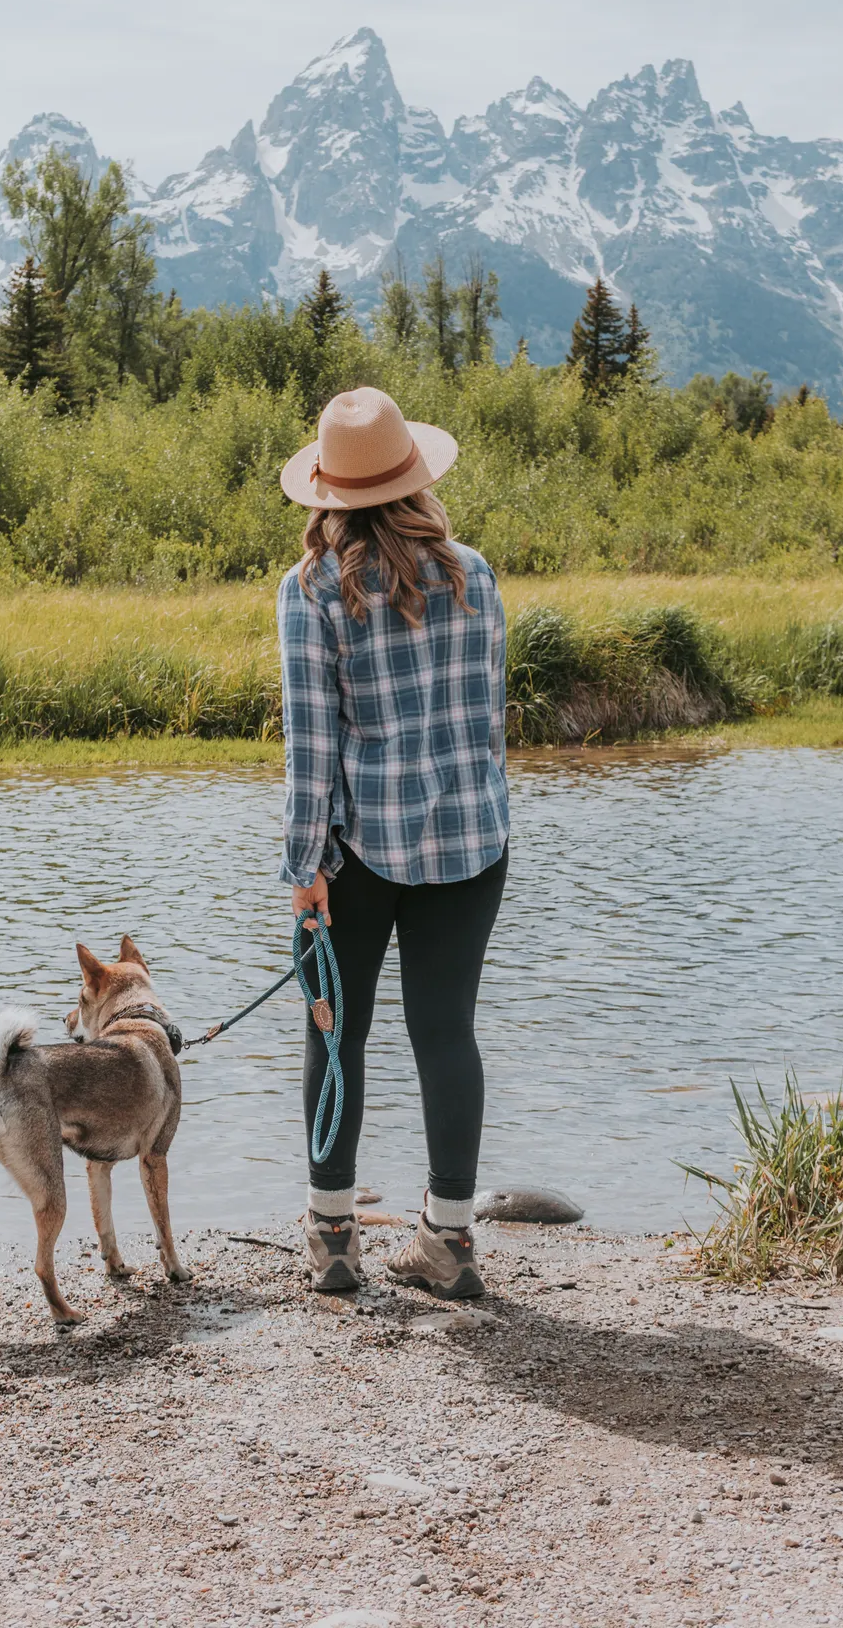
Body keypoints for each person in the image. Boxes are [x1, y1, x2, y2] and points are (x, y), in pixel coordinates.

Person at [276, 386, 509, 1299]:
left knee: (335, 1036)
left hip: (358, 851)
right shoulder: (475, 574)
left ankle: (334, 1240)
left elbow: (311, 750)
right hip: (473, 840)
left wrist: (304, 871)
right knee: (448, 1033)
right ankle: (449, 1244)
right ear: (413, 477)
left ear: (328, 492)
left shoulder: (313, 591)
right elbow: (486, 721)